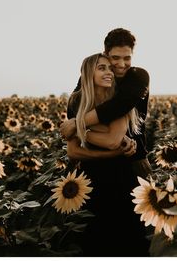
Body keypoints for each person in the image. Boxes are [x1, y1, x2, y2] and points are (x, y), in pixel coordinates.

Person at [66, 53, 148, 256]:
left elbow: (113, 141)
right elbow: (73, 151)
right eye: (102, 68)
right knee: (95, 238)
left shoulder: (118, 100)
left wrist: (78, 129)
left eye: (109, 69)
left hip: (121, 177)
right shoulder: (76, 101)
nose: (109, 72)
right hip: (89, 181)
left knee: (128, 237)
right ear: (88, 72)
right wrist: (111, 150)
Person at [61, 28, 151, 177]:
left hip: (133, 157)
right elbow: (75, 109)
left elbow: (115, 108)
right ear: (106, 54)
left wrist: (77, 125)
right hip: (93, 157)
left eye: (127, 58)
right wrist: (77, 125)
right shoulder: (89, 81)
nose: (122, 64)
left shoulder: (137, 77)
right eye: (115, 58)